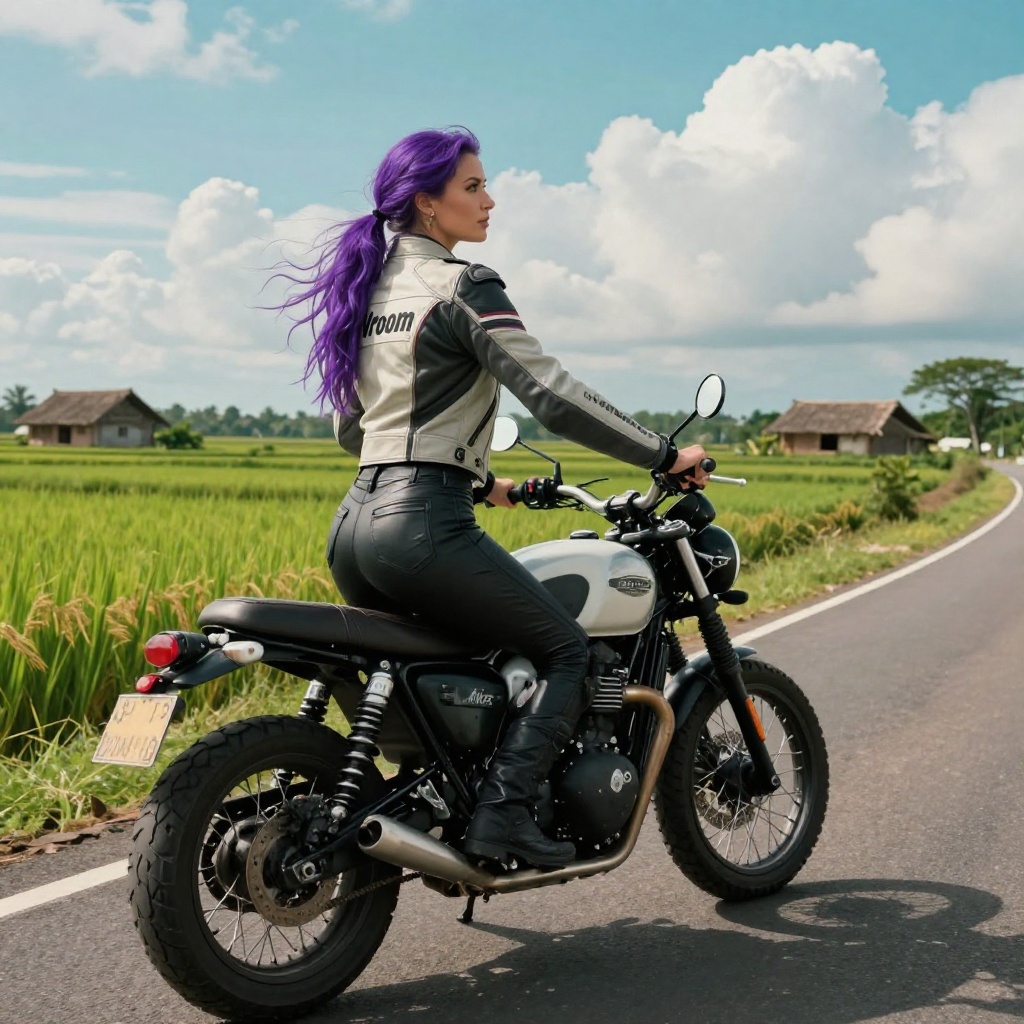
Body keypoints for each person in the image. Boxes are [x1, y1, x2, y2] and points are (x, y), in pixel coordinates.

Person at [280, 127, 709, 869]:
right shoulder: (462, 285)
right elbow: (552, 394)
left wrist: (485, 483)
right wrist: (665, 455)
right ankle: (503, 820)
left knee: (467, 663)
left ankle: (455, 799)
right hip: (421, 527)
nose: (490, 200)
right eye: (473, 187)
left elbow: (360, 431)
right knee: (566, 650)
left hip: (355, 526)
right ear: (427, 202)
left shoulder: (369, 295)